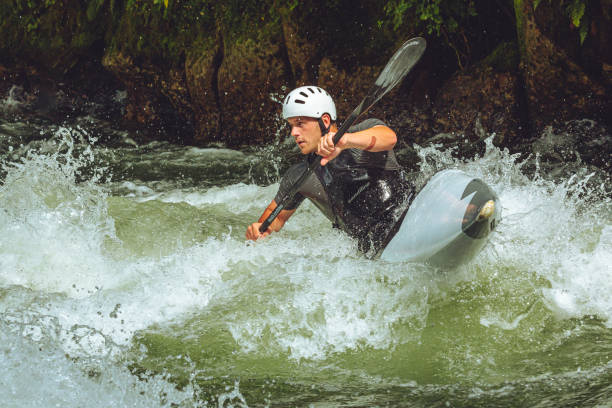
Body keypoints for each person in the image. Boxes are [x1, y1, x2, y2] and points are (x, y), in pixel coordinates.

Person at [245, 85, 414, 258]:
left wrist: (346, 141)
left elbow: (389, 138)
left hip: (408, 215)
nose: (293, 133)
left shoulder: (363, 132)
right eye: (291, 126)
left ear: (325, 121)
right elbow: (276, 219)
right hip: (372, 249)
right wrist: (259, 230)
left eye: (300, 123)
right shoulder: (300, 176)